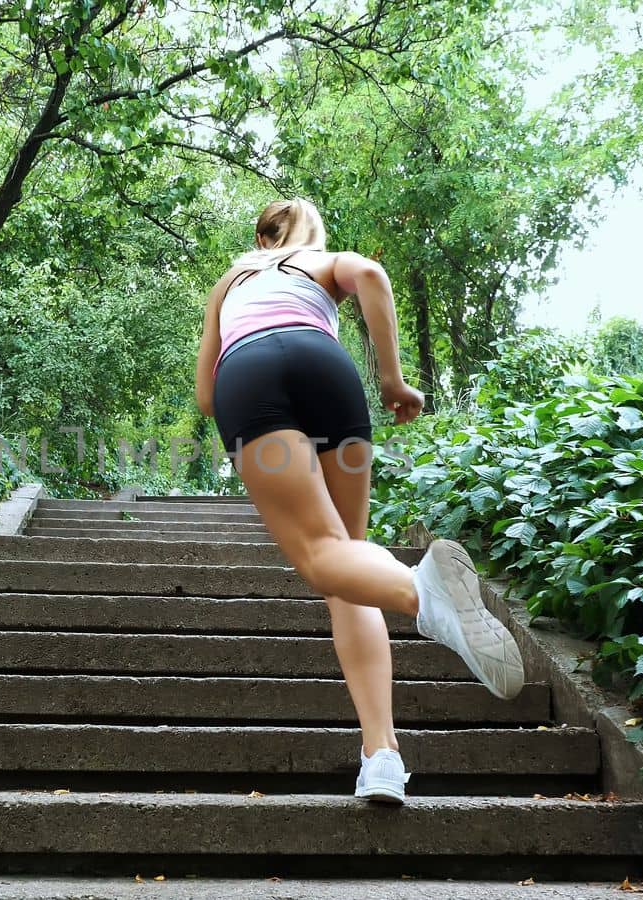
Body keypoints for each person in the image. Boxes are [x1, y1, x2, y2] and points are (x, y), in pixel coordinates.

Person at [194, 198, 525, 805]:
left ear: (263, 236)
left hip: (252, 374)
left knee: (322, 556)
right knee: (349, 564)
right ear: (311, 235)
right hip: (327, 369)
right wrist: (394, 382)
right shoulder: (319, 264)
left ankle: (424, 594)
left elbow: (208, 396)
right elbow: (371, 277)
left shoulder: (234, 277)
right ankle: (381, 756)